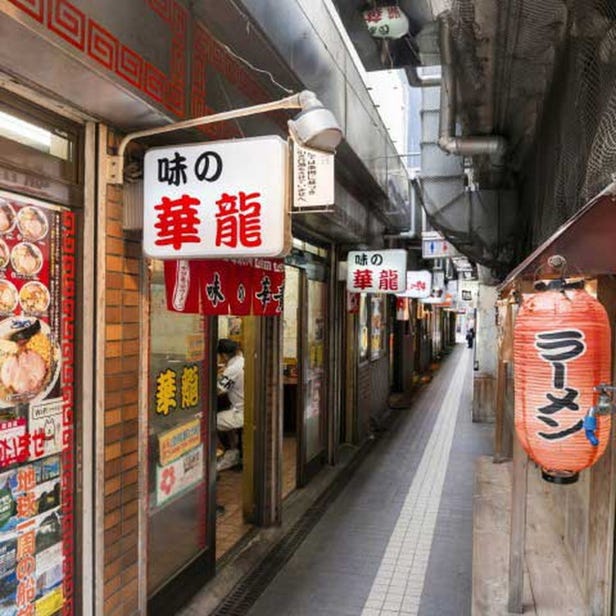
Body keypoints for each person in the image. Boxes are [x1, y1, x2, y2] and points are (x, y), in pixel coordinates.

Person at [216, 339, 244, 471]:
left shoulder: (233, 368)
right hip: (246, 408)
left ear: (224, 355)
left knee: (211, 422)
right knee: (225, 414)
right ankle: (235, 451)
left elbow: (219, 390)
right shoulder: (242, 361)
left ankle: (231, 453)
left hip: (241, 413)